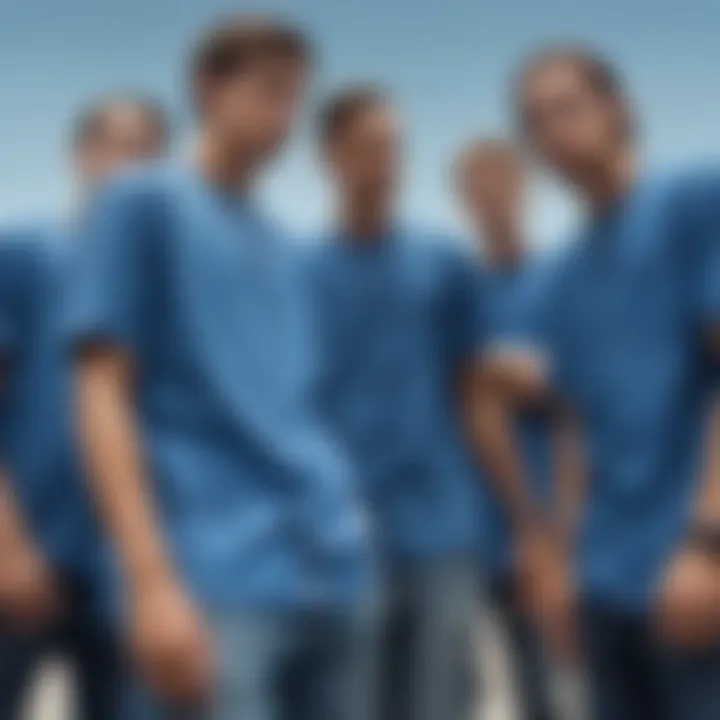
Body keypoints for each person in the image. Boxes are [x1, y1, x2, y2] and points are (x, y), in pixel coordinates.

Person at [66, 17, 372, 720]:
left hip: (329, 576)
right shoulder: (141, 203)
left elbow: (295, 409)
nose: (285, 118)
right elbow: (102, 390)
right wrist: (150, 583)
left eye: (295, 98)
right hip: (211, 587)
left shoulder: (284, 247)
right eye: (268, 92)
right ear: (207, 89)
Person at [488, 46, 720, 720]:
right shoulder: (554, 282)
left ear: (619, 109)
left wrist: (708, 544)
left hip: (694, 571)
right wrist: (558, 565)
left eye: (569, 108)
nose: (555, 131)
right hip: (606, 585)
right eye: (535, 121)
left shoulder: (695, 201)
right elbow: (573, 429)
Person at [304, 86, 479, 720]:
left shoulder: (445, 263)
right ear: (329, 157)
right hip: (338, 536)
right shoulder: (298, 273)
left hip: (440, 530)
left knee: (437, 703)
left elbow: (476, 396)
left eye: (395, 146)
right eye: (368, 146)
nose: (385, 161)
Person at [0, 95, 168, 719]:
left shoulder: (161, 281)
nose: (132, 165)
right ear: (81, 154)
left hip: (120, 575)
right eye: (119, 146)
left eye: (149, 153)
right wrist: (7, 546)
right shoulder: (23, 252)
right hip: (25, 555)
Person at [455, 138, 565, 720]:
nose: (492, 198)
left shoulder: (562, 282)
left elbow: (591, 386)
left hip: (549, 522)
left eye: (504, 183)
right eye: (478, 188)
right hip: (465, 530)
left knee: (548, 689)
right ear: (462, 202)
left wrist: (531, 374)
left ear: (527, 188)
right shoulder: (456, 291)